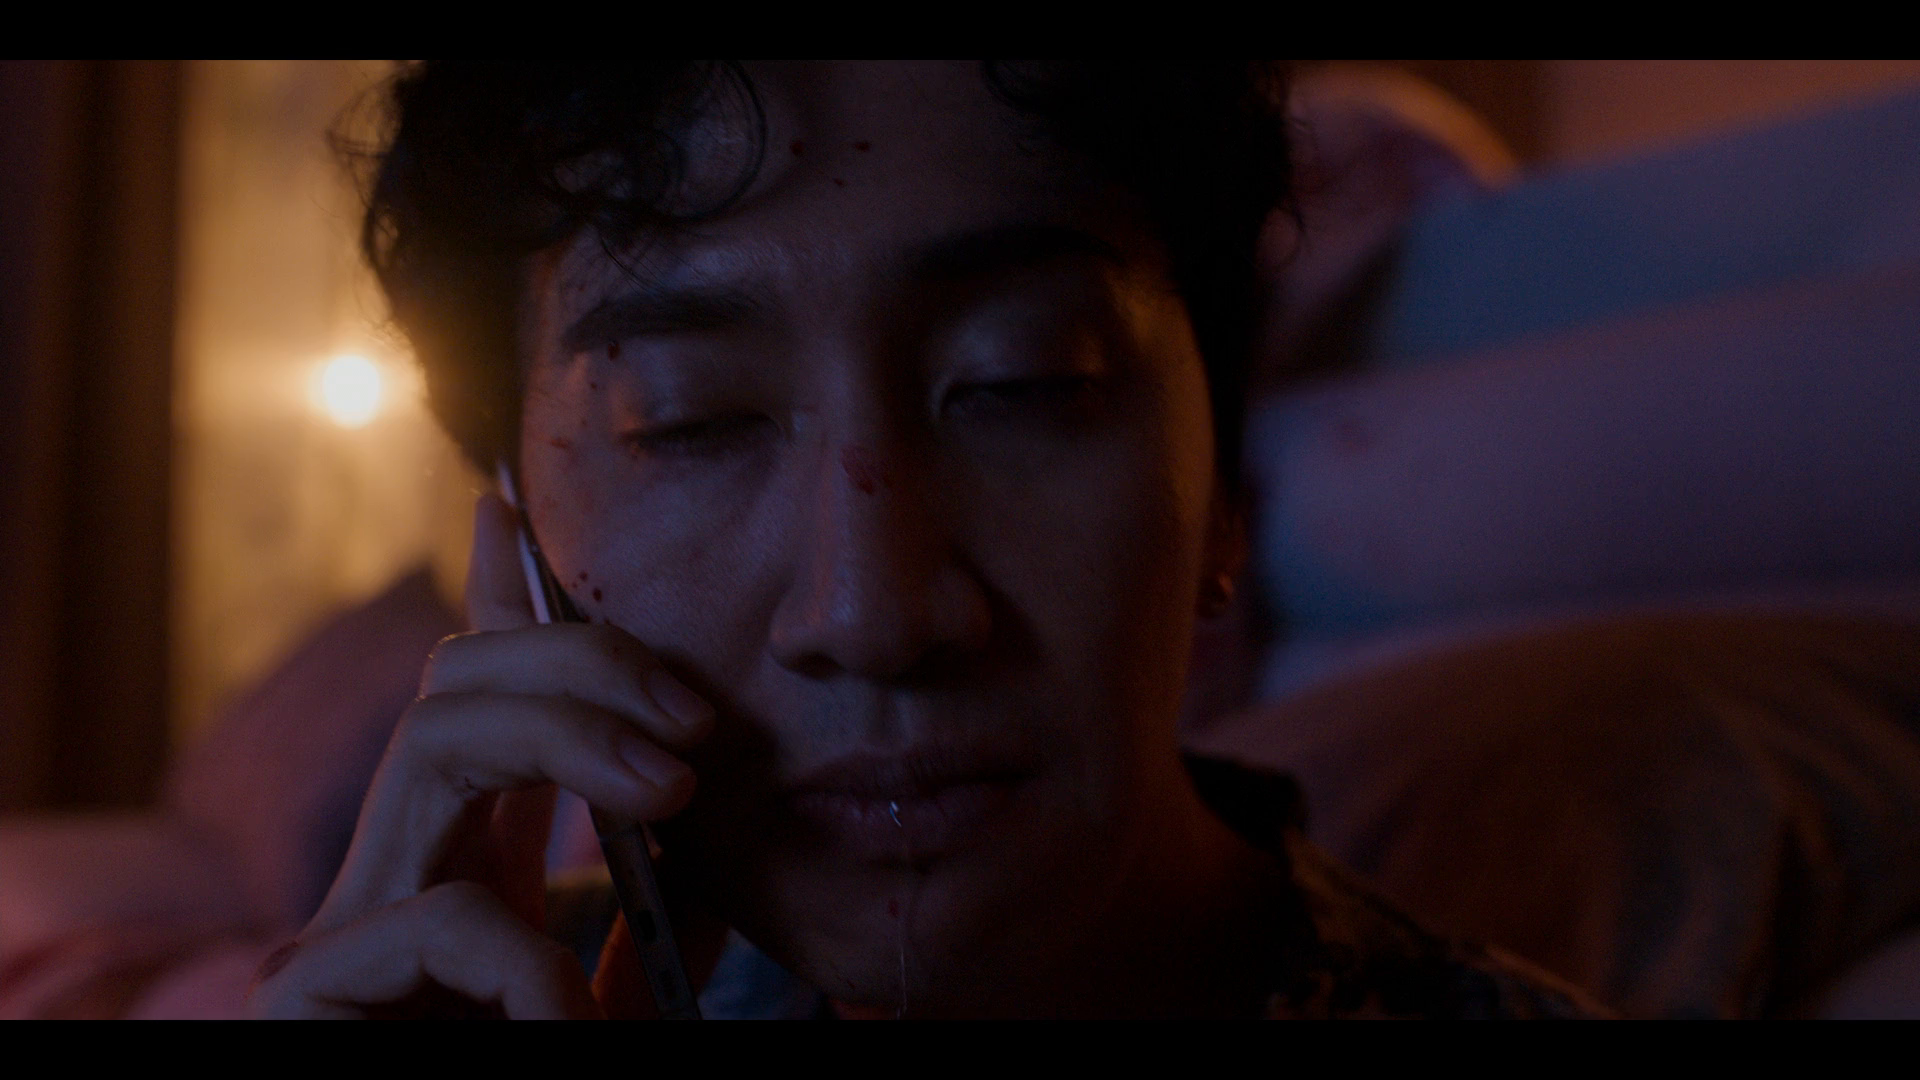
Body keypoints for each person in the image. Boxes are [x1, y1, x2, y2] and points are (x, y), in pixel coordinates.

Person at [247, 60, 1600, 1019]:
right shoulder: (495, 996)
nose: (873, 612)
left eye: (1024, 379)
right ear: (521, 556)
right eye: (691, 419)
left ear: (1223, 484)